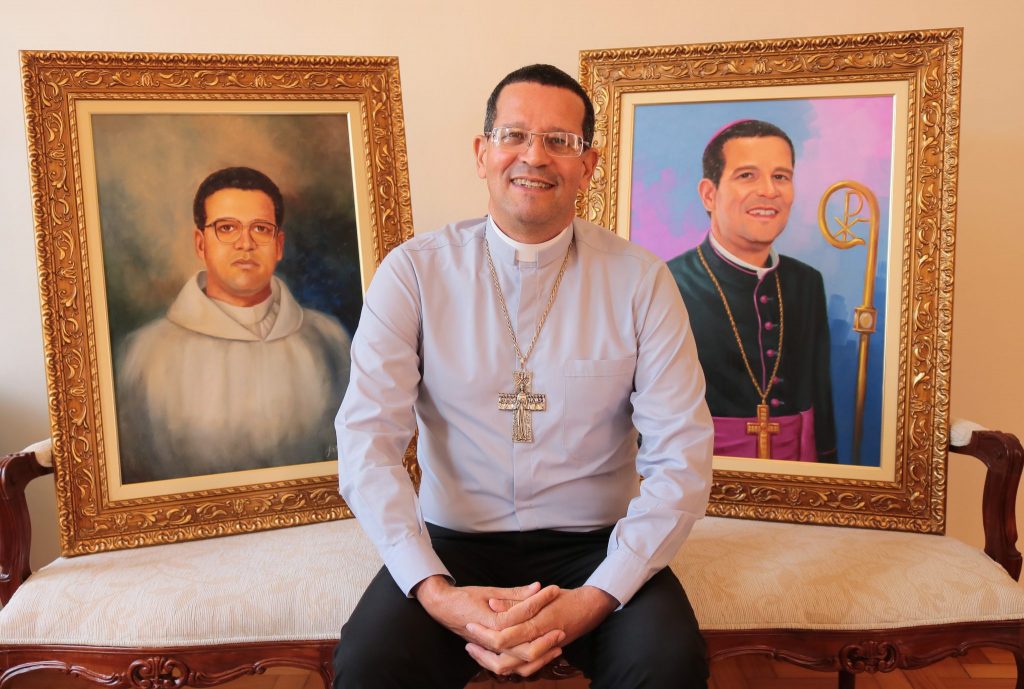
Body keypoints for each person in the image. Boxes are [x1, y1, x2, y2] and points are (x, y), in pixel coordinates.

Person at [334, 64, 713, 689]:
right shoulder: (413, 273)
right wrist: (434, 591)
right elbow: (366, 441)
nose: (534, 156)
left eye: (559, 141)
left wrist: (596, 597)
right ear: (482, 153)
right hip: (453, 544)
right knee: (371, 666)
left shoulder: (641, 281)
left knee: (666, 666)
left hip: (597, 545)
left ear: (587, 166)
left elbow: (683, 456)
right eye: (513, 135)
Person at [116, 166, 351, 483]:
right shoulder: (144, 355)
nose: (245, 243)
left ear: (278, 245)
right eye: (227, 228)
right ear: (200, 244)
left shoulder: (328, 340)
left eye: (261, 229)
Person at [667, 120, 837, 462]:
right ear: (709, 194)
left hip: (798, 471)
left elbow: (820, 396)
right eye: (747, 175)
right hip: (700, 471)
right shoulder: (668, 282)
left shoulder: (806, 282)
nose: (769, 191)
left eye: (781, 176)